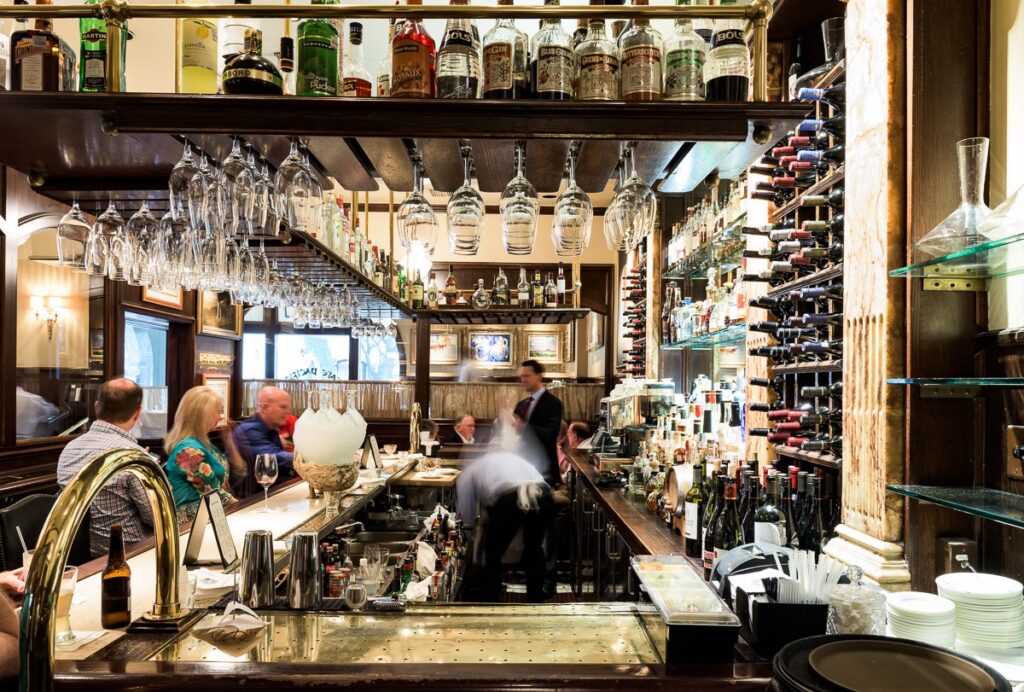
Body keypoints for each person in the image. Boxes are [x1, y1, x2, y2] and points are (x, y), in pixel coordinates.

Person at [57, 378, 154, 557]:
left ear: (96, 406)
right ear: (137, 413)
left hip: (79, 554)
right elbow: (154, 516)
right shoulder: (133, 456)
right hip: (132, 553)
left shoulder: (69, 449)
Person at [457, 450, 553, 603]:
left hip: (510, 495)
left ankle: (489, 600)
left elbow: (464, 518)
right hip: (543, 492)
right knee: (533, 548)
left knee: (492, 553)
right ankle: (535, 599)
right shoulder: (504, 458)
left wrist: (467, 548)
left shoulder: (467, 475)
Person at [164, 386, 238, 523]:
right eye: (217, 412)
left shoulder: (203, 443)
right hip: (192, 524)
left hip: (210, 515)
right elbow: (211, 491)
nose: (220, 416)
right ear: (202, 414)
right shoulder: (187, 450)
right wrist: (240, 507)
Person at [511, 360, 564, 488]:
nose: (523, 380)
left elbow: (551, 434)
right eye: (521, 376)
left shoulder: (553, 403)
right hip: (521, 469)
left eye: (527, 376)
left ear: (539, 376)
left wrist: (524, 427)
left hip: (543, 470)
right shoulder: (521, 404)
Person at [232, 386, 295, 479]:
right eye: (283, 407)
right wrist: (310, 459)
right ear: (264, 407)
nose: (289, 412)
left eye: (289, 408)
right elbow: (275, 458)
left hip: (273, 488)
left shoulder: (271, 428)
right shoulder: (248, 430)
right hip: (256, 493)